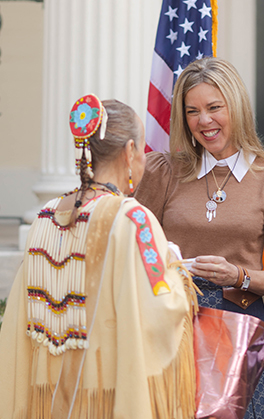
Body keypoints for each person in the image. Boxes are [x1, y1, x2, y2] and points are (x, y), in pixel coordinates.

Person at [0, 94, 197, 419]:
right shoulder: (134, 220)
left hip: (47, 399)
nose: (145, 160)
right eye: (143, 149)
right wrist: (176, 272)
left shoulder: (45, 216)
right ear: (129, 151)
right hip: (108, 396)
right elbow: (163, 304)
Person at [135, 57, 264, 419]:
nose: (204, 121)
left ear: (237, 107)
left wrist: (237, 276)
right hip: (171, 325)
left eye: (215, 107)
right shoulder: (163, 173)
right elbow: (135, 250)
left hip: (238, 328)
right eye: (192, 111)